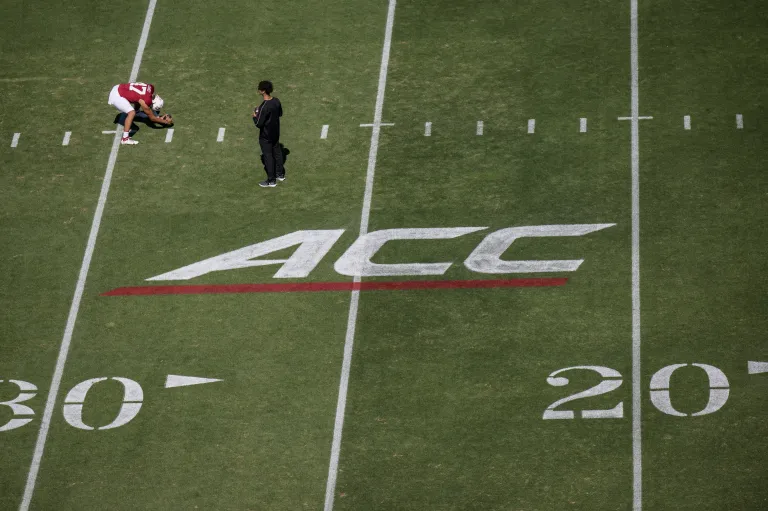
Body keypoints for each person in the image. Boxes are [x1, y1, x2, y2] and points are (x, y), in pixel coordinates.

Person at [107, 82, 172, 145]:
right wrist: (165, 122)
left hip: (118, 87)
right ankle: (125, 139)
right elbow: (152, 119)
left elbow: (139, 98)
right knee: (131, 113)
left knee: (138, 98)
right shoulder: (147, 101)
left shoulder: (151, 88)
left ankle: (137, 111)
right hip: (117, 96)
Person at [252, 81, 285, 187]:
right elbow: (280, 113)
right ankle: (280, 174)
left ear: (263, 91)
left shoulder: (263, 107)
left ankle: (271, 181)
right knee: (277, 152)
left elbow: (258, 123)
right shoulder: (276, 101)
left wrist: (254, 115)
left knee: (268, 156)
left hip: (265, 136)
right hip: (275, 132)